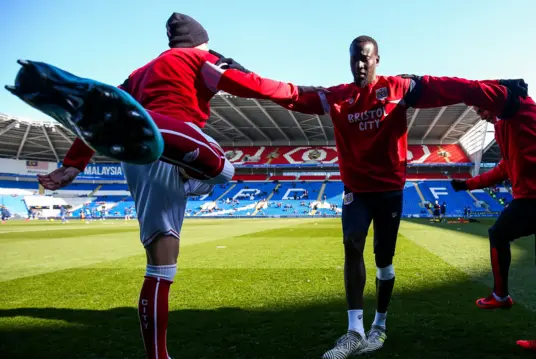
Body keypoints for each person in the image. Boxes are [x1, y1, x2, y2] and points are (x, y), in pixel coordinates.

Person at [7, 13, 314, 359]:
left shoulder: (137, 75)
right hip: (175, 130)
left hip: (137, 163)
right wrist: (297, 95)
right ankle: (164, 140)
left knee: (161, 267)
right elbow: (249, 84)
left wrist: (73, 164)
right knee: (225, 171)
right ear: (201, 41)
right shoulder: (199, 57)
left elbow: (107, 113)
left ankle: (158, 356)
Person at [208, 35, 536, 358]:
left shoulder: (398, 89)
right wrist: (239, 72)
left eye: (366, 57)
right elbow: (292, 95)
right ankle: (354, 331)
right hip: (356, 190)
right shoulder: (337, 97)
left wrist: (497, 87)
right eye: (354, 57)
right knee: (352, 243)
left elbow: (448, 87)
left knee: (383, 260)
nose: (360, 63)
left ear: (377, 59)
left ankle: (379, 324)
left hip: (390, 190)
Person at [450, 89, 536, 358]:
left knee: (498, 234)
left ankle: (500, 296)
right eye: (478, 112)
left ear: (495, 101)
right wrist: (468, 184)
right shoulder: (507, 128)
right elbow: (504, 168)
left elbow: (510, 99)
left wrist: (507, 86)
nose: (482, 115)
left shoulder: (519, 112)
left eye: (483, 109)